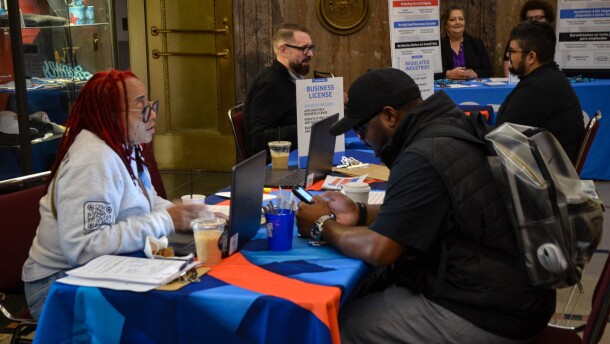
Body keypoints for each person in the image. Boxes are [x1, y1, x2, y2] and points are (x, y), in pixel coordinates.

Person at [296, 68, 555, 343]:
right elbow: (426, 211)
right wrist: (359, 212)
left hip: (491, 311)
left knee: (341, 326)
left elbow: (380, 249)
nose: (362, 138)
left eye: (361, 128)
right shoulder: (449, 124)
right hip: (515, 290)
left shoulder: (422, 155)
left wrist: (322, 225)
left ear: (389, 116)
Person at [21, 70, 207, 320]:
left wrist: (190, 215)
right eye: (141, 108)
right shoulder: (93, 161)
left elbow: (147, 201)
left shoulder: (124, 147)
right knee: (178, 313)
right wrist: (167, 219)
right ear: (110, 115)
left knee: (189, 288)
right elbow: (85, 248)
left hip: (99, 269)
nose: (152, 115)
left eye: (151, 105)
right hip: (57, 287)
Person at [496, 21, 584, 161]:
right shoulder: (549, 77)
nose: (508, 55)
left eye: (512, 51)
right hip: (545, 165)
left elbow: (499, 138)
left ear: (531, 57)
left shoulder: (538, 88)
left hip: (542, 175)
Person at [243, 23, 314, 158]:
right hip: (278, 163)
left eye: (311, 48)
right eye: (304, 49)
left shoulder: (292, 77)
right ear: (283, 50)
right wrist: (307, 128)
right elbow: (258, 140)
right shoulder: (270, 84)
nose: (310, 54)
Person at [503, 0, 555, 77]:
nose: (534, 22)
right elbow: (508, 73)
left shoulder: (553, 39)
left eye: (539, 17)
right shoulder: (517, 42)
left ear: (547, 19)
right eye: (530, 19)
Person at [439, 6, 492, 79]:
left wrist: (475, 74)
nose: (458, 22)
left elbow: (488, 70)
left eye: (461, 19)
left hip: (471, 89)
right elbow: (430, 72)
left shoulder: (476, 43)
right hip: (446, 89)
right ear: (445, 24)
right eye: (452, 20)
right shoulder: (438, 45)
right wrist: (448, 74)